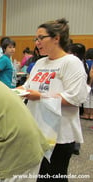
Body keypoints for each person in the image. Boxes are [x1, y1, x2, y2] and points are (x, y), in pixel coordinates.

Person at [19, 18, 88, 182]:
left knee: (53, 176)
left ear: (56, 38)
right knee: (37, 175)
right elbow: (28, 86)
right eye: (35, 39)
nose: (37, 43)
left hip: (60, 135)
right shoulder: (40, 63)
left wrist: (40, 96)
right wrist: (13, 91)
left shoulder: (71, 63)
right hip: (38, 130)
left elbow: (75, 97)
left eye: (41, 38)